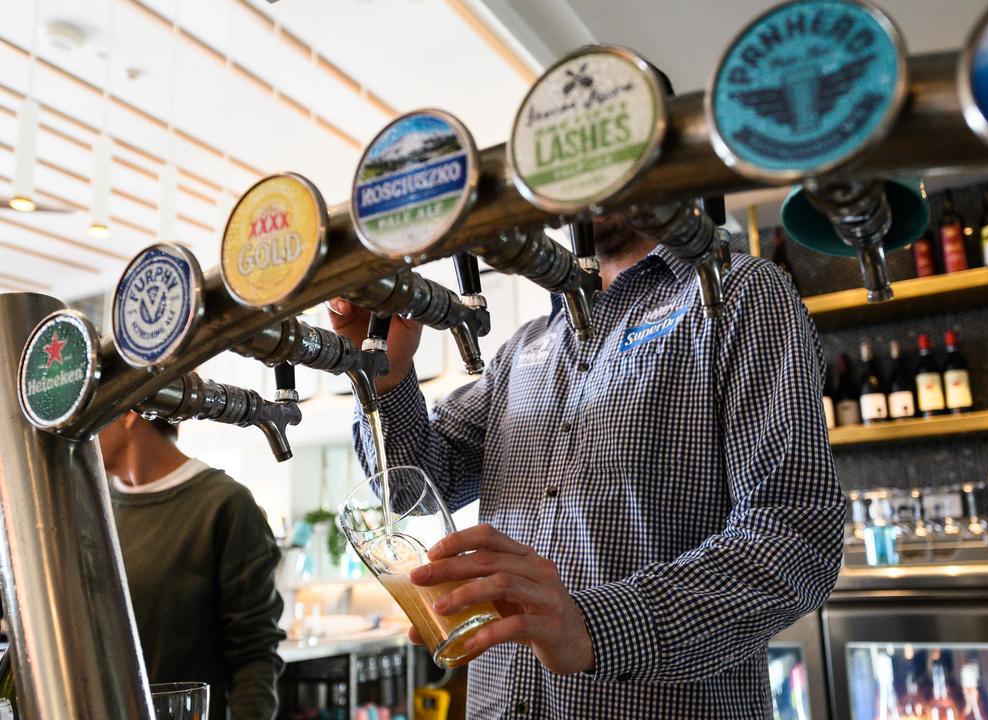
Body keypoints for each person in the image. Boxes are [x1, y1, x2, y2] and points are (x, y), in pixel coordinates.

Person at [328, 215, 844, 718]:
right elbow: (413, 487)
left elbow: (795, 536)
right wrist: (387, 375)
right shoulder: (523, 348)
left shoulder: (734, 291)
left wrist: (593, 626)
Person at [101, 412, 285, 720]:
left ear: (131, 412)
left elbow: (254, 654)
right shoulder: (90, 501)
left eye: (91, 405)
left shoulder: (224, 505)